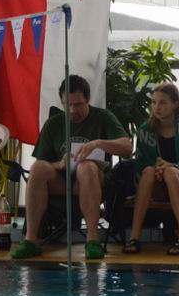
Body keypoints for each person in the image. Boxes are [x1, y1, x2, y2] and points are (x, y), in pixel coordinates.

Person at [11, 75, 132, 260]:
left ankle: (92, 240)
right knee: (37, 168)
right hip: (62, 181)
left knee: (87, 167)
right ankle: (31, 240)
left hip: (93, 182)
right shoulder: (54, 124)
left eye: (78, 105)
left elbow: (127, 147)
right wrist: (59, 164)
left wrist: (98, 143)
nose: (73, 110)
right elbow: (43, 163)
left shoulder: (103, 117)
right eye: (68, 105)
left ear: (88, 99)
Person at [123, 83, 179, 255]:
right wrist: (158, 168)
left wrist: (171, 166)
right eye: (153, 102)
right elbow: (141, 163)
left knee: (170, 172)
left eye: (162, 103)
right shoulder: (145, 130)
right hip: (157, 182)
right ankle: (134, 237)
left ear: (175, 104)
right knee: (148, 172)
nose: (157, 107)